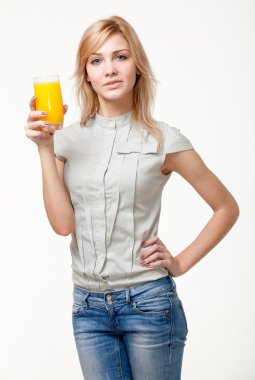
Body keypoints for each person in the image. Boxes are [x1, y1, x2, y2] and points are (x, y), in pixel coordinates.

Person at [25, 15, 239, 380]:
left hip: (150, 304)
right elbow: (63, 225)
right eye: (97, 60)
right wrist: (45, 149)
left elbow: (225, 207)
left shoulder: (164, 140)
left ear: (137, 66)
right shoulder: (66, 140)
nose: (109, 69)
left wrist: (181, 262)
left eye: (120, 57)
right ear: (87, 75)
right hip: (88, 309)